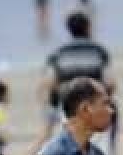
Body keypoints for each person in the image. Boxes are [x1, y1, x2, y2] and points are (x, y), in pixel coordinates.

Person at [32, 11, 113, 147]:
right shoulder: (98, 51)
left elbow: (49, 83)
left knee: (71, 146)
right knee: (96, 148)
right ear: (88, 27)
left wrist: (48, 106)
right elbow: (110, 82)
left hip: (69, 107)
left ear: (69, 30)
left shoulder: (59, 53)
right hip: (95, 106)